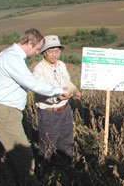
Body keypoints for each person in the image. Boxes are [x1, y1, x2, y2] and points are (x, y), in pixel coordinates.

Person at [0, 29, 70, 185]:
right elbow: (32, 83)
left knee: (16, 156)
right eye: (38, 49)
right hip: (5, 112)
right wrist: (60, 90)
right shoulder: (12, 58)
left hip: (7, 112)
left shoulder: (8, 55)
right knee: (24, 155)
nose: (37, 52)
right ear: (30, 42)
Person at [33, 35, 81, 163]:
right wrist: (57, 98)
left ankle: (66, 166)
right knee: (48, 144)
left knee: (66, 140)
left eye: (56, 51)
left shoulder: (61, 65)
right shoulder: (39, 70)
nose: (54, 54)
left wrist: (74, 90)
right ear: (44, 52)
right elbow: (40, 92)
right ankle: (45, 171)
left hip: (65, 109)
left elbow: (67, 82)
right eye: (50, 51)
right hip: (49, 112)